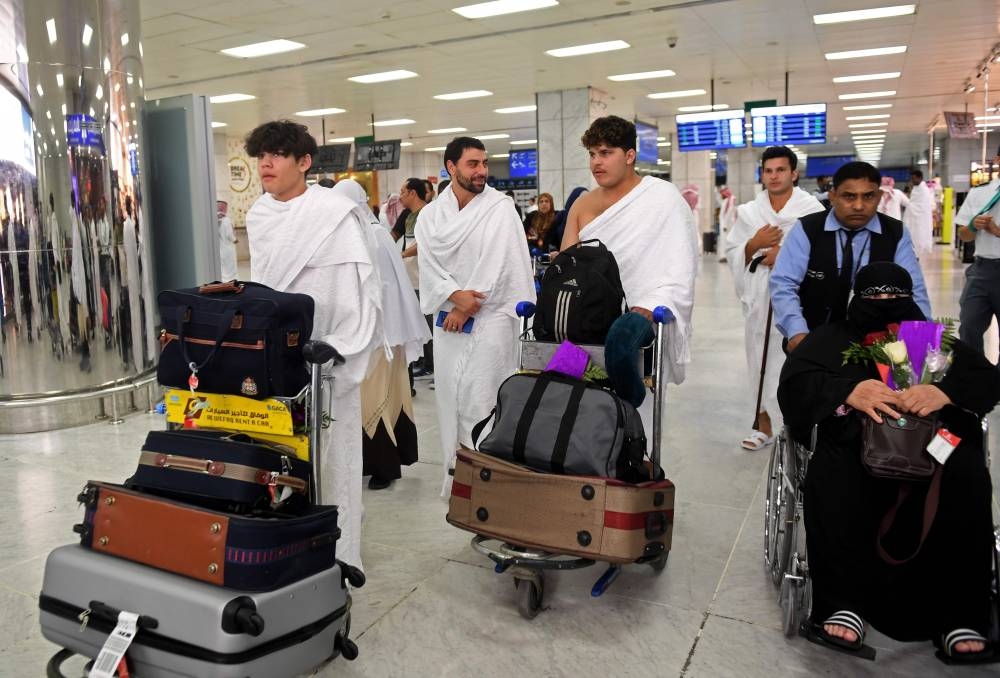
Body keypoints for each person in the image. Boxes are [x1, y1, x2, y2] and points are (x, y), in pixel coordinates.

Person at [778, 262, 1000, 663]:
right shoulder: (832, 339)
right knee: (834, 474)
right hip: (856, 447)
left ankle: (961, 614)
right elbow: (794, 389)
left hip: (935, 447)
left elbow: (987, 380)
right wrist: (850, 390)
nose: (884, 304)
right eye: (874, 296)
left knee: (966, 474)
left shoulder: (933, 341)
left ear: (910, 298)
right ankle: (841, 602)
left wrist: (944, 393)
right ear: (856, 300)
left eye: (894, 297)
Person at [244, 120, 381, 572]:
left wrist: (340, 343)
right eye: (262, 154)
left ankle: (341, 556)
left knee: (334, 461)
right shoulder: (260, 215)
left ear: (304, 162)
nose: (266, 162)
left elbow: (360, 287)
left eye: (278, 154)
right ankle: (288, 552)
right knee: (281, 460)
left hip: (327, 357)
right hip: (276, 359)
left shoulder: (332, 212)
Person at [415, 136, 534, 494]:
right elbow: (429, 266)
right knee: (450, 396)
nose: (482, 171)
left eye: (484, 163)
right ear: (451, 168)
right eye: (473, 164)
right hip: (449, 319)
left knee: (484, 397)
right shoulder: (430, 216)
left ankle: (492, 483)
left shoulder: (499, 208)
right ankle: (460, 478)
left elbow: (498, 262)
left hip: (493, 318)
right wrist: (454, 299)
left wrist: (469, 306)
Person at [561, 115, 698, 394]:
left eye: (606, 153)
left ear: (629, 155)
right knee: (575, 401)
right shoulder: (581, 205)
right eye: (592, 154)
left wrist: (655, 302)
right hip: (585, 320)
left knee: (633, 416)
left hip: (639, 322)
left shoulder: (663, 198)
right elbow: (567, 267)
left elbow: (682, 264)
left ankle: (633, 410)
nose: (596, 162)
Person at [770, 161, 931, 354]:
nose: (858, 205)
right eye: (849, 196)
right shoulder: (807, 229)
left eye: (868, 196)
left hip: (879, 346)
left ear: (879, 197)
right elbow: (783, 283)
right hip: (813, 339)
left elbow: (914, 289)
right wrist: (796, 332)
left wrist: (922, 338)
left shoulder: (895, 233)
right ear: (832, 197)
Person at [331, 179, 430, 491]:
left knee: (377, 399)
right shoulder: (355, 236)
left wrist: (377, 331)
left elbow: (387, 291)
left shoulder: (374, 238)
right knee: (368, 400)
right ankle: (373, 462)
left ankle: (384, 468)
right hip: (362, 335)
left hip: (382, 335)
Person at [725, 146, 825, 451]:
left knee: (794, 357)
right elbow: (733, 250)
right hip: (758, 294)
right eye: (768, 171)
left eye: (780, 170)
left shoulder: (811, 211)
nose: (773, 176)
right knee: (758, 357)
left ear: (794, 173)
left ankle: (797, 424)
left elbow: (823, 251)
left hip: (798, 296)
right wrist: (753, 243)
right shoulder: (749, 212)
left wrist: (786, 255)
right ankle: (762, 424)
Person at [955, 158, 1000, 360]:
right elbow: (964, 235)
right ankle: (978, 378)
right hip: (982, 270)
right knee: (969, 327)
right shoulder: (980, 192)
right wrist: (972, 226)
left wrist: (997, 232)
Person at [397, 178, 434, 381]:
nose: (400, 195)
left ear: (412, 193)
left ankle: (430, 364)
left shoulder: (426, 214)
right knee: (417, 323)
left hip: (423, 279)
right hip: (411, 279)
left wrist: (401, 255)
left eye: (403, 191)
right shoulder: (410, 216)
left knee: (426, 324)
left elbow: (423, 245)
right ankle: (422, 361)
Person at [904, 169, 934, 259]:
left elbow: (921, 206)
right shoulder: (916, 189)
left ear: (920, 178)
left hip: (920, 220)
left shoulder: (924, 190)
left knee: (918, 238)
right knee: (912, 237)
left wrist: (909, 205)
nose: (912, 181)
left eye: (914, 179)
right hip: (913, 219)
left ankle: (916, 254)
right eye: (911, 179)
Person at [217, 200, 238, 281]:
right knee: (230, 269)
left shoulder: (216, 220)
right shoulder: (226, 220)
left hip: (220, 248)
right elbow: (229, 234)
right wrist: (235, 240)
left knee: (223, 269)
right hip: (228, 248)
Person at [716, 185, 737, 264]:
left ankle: (726, 256)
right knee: (723, 240)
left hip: (727, 225)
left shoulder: (730, 200)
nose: (722, 194)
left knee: (726, 240)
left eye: (722, 193)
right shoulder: (726, 201)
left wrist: (725, 225)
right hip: (725, 225)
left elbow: (728, 213)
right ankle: (724, 256)